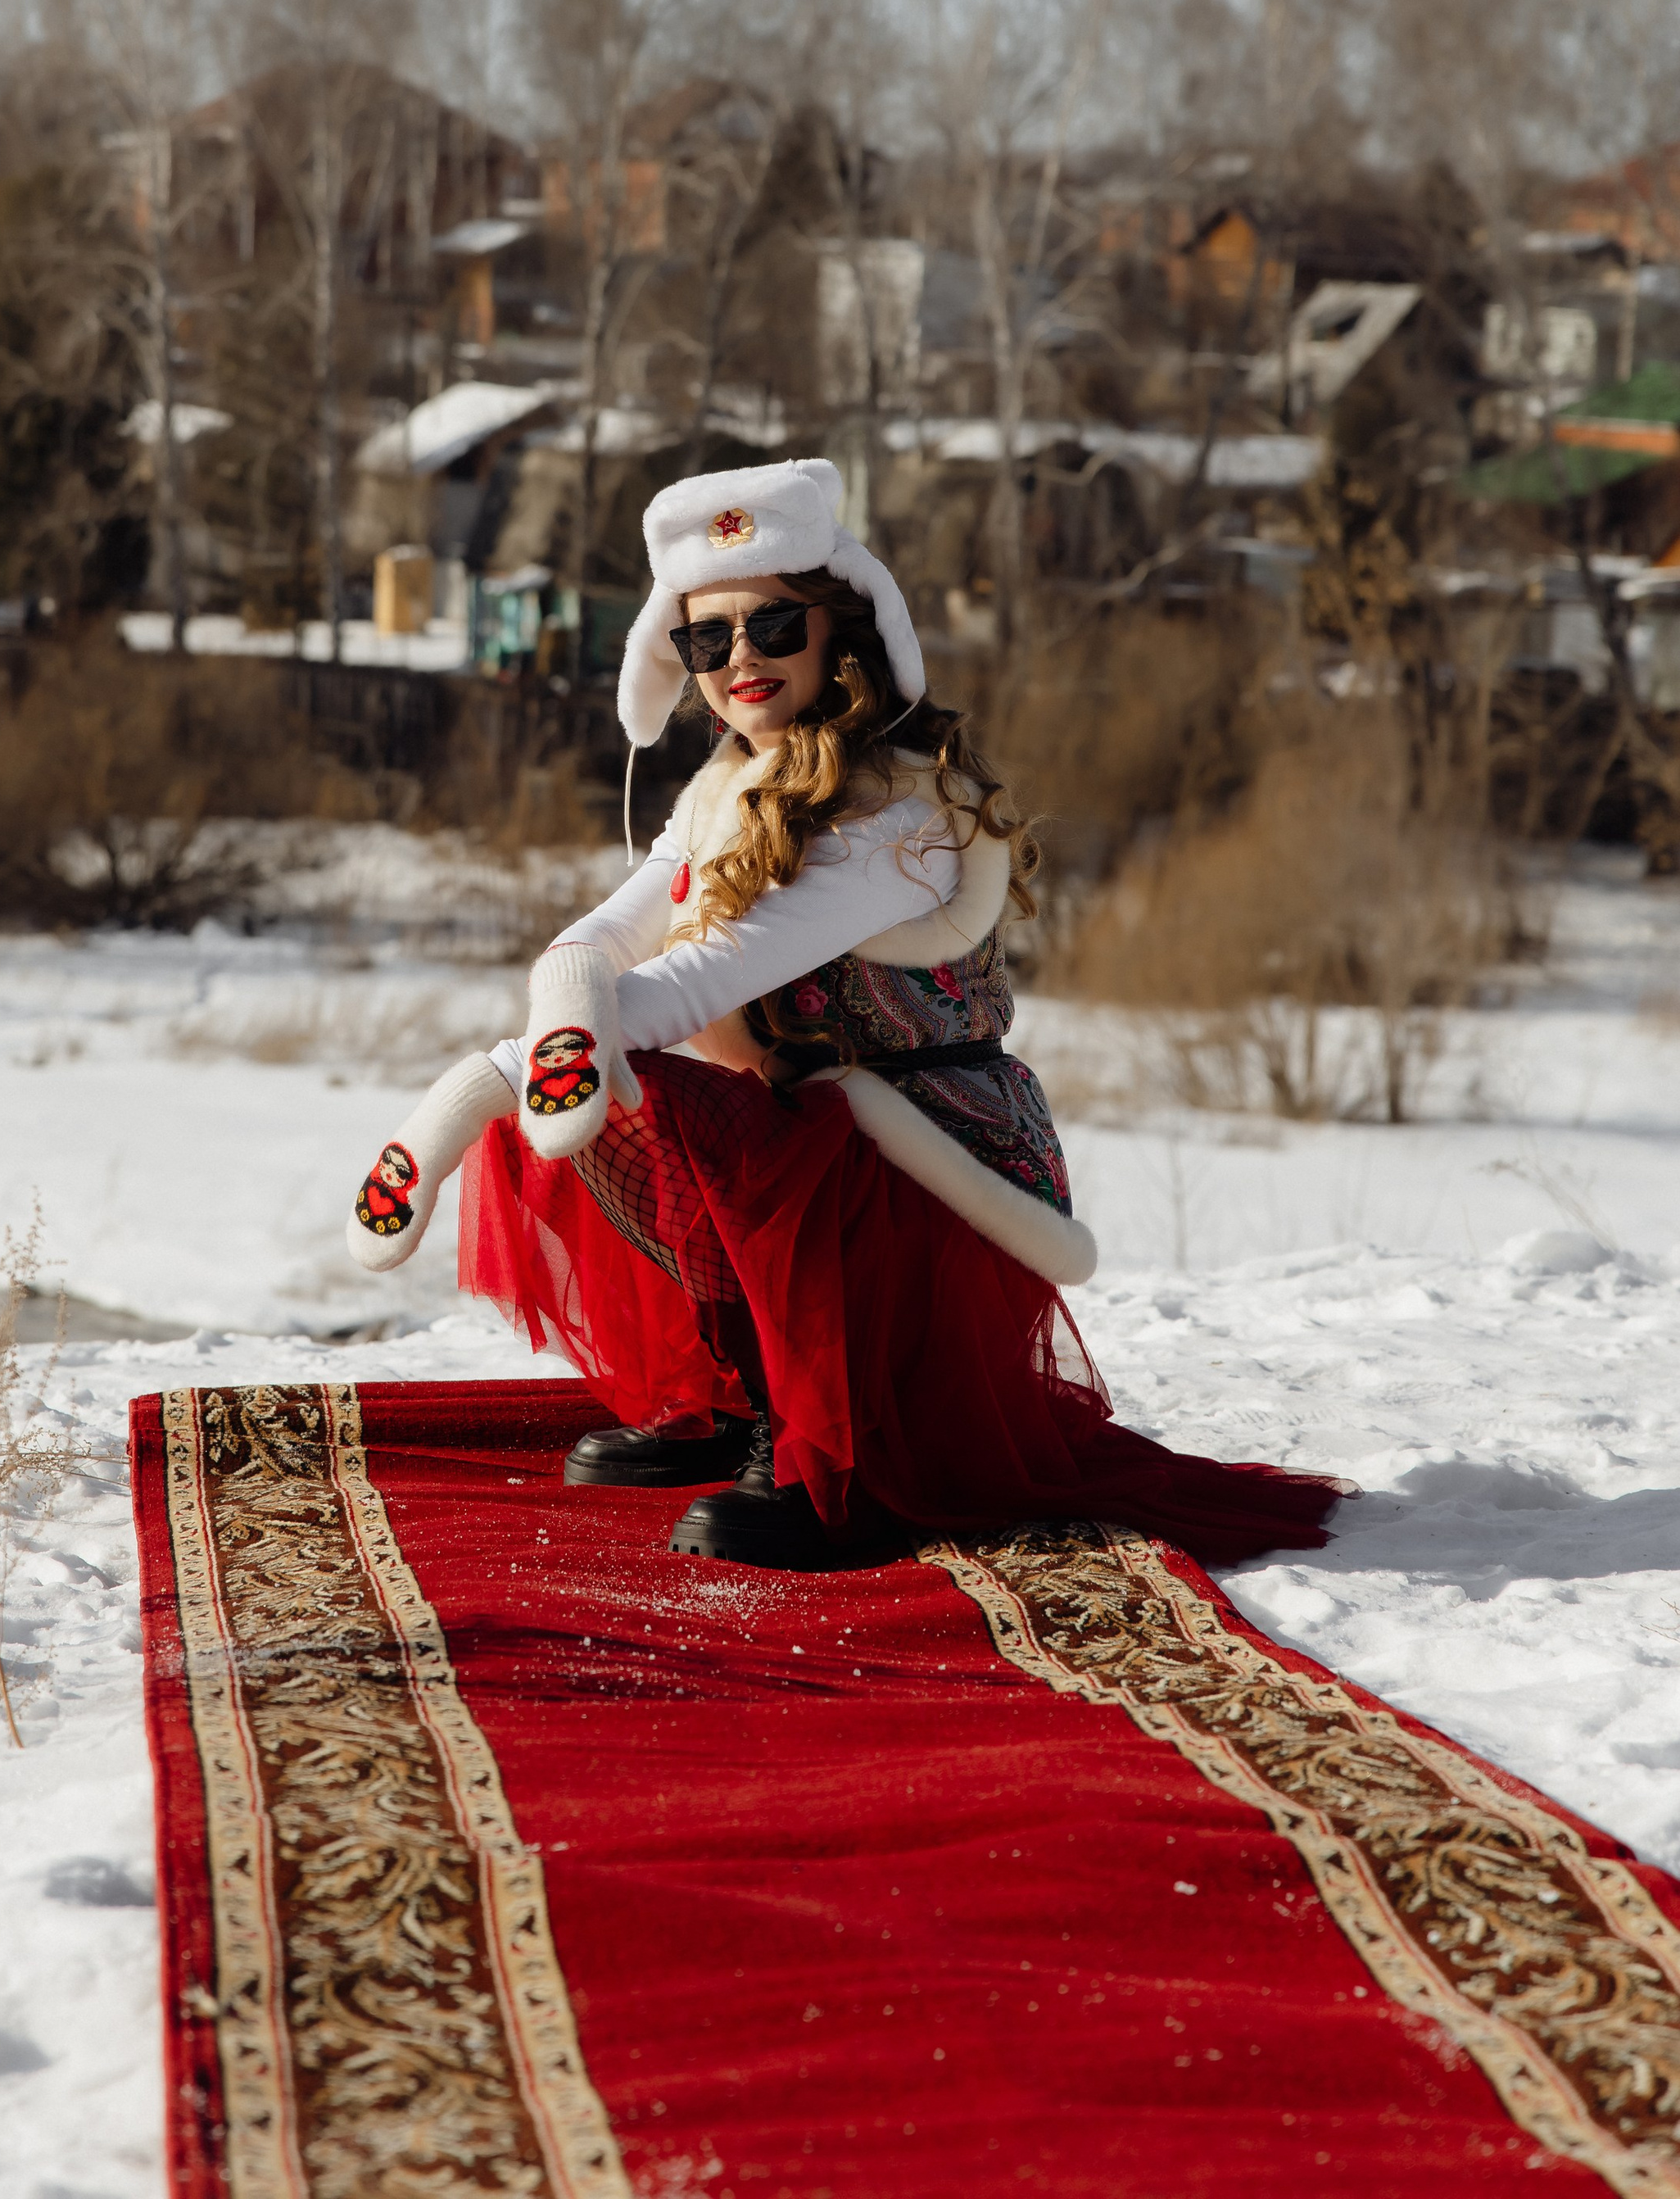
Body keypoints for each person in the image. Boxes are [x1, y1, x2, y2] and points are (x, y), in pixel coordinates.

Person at [346, 458, 1343, 1574]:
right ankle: (733, 1393)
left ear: (844, 634)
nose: (740, 664)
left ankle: (832, 1449)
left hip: (921, 1187)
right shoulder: (725, 790)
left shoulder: (902, 813)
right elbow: (602, 942)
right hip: (814, 1152)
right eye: (705, 641)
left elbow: (696, 983)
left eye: (773, 626)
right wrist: (466, 1102)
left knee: (648, 1094)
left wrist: (551, 1044)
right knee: (601, 1098)